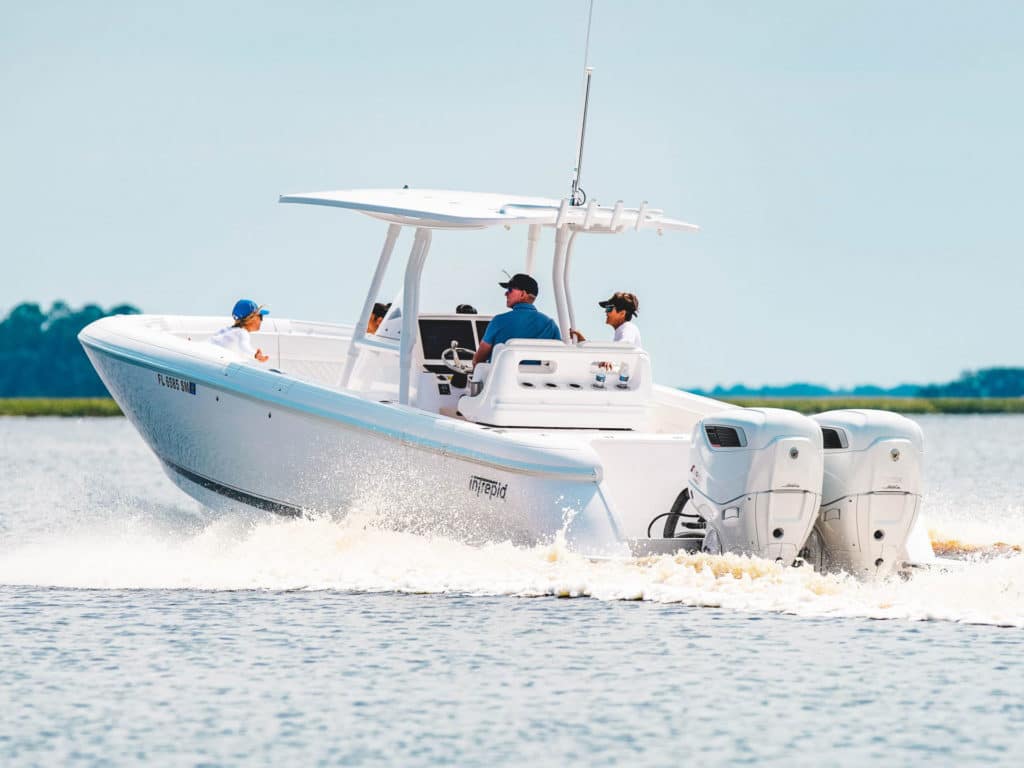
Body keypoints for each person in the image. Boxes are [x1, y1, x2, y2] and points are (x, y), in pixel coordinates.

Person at [471, 273, 560, 367]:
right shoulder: (550, 325)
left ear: (523, 294)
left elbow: (479, 360)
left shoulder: (498, 321)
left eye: (510, 290)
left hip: (502, 380)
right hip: (536, 380)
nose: (505, 294)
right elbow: (559, 357)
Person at [570, 291, 641, 347]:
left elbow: (625, 345)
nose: (605, 311)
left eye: (609, 308)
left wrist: (610, 360)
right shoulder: (622, 330)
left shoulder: (628, 327)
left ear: (622, 313)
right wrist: (582, 341)